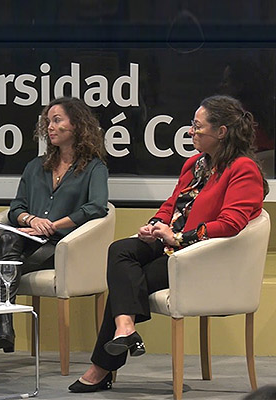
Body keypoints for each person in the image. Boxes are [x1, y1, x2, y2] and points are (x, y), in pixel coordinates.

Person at [68, 94, 268, 393]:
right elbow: (172, 205)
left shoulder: (242, 169)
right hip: (171, 245)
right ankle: (125, 328)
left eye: (197, 126)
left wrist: (180, 238)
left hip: (201, 257)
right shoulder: (194, 164)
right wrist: (154, 225)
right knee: (120, 250)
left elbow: (231, 223)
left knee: (132, 280)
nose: (191, 131)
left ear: (221, 131)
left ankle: (102, 367)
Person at [0, 96, 109, 377]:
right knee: (7, 241)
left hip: (61, 246)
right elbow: (16, 208)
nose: (50, 127)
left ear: (77, 124)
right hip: (26, 240)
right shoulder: (36, 166)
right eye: (48, 122)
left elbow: (96, 207)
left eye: (57, 120)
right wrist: (31, 220)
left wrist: (52, 225)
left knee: (1, 262)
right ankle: (2, 323)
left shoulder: (94, 168)